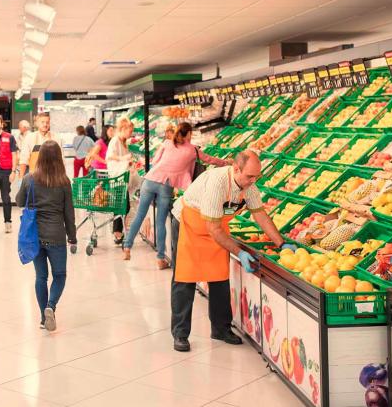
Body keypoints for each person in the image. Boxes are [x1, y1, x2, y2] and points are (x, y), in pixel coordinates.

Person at [170, 150, 294, 352]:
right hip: (190, 225)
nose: (253, 181)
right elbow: (213, 229)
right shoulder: (218, 183)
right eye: (249, 176)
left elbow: (260, 214)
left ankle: (221, 329)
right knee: (185, 280)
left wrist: (281, 243)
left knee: (219, 278)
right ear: (236, 168)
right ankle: (180, 334)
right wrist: (239, 252)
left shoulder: (249, 186)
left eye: (257, 176)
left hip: (216, 227)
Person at [122, 122, 230, 268]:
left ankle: (127, 247)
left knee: (139, 215)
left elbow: (155, 161)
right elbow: (210, 160)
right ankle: (160, 259)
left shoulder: (167, 143)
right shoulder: (193, 150)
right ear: (189, 134)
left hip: (150, 180)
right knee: (160, 222)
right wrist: (226, 162)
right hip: (166, 185)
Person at [16, 141, 76, 332]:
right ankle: (51, 306)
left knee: (41, 277)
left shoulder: (30, 178)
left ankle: (44, 317)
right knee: (59, 275)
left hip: (35, 236)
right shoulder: (64, 182)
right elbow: (69, 213)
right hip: (56, 235)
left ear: (39, 157)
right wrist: (72, 237)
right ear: (59, 158)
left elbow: (18, 201)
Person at [105, 118, 134, 244]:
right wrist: (123, 158)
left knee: (124, 206)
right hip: (117, 178)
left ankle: (118, 231)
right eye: (130, 131)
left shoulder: (123, 141)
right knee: (121, 205)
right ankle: (117, 233)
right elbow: (109, 157)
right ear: (123, 129)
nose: (131, 133)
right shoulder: (115, 141)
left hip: (122, 178)